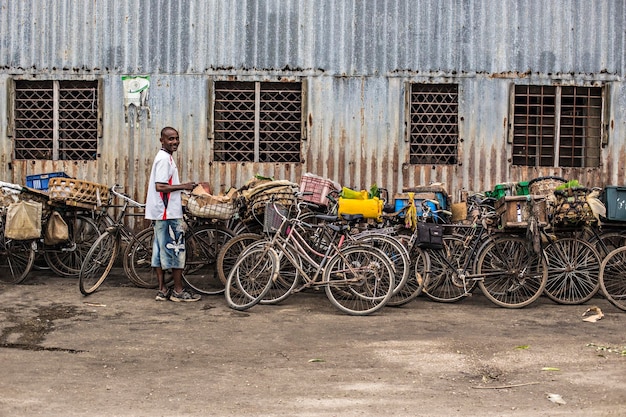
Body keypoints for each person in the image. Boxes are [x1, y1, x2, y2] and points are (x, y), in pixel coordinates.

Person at [145, 127, 200, 302]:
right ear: (162, 140)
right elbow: (160, 186)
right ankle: (177, 291)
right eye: (170, 139)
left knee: (160, 250)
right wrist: (184, 186)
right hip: (167, 213)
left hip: (163, 212)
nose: (174, 142)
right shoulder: (163, 159)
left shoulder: (165, 157)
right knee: (176, 251)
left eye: (176, 138)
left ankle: (162, 290)